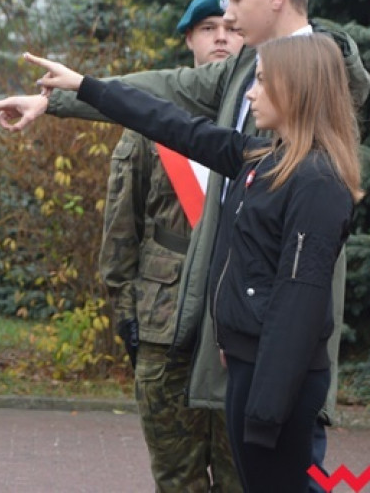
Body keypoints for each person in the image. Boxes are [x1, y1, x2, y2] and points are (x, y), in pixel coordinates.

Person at [0, 0, 370, 480]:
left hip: (284, 349)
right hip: (241, 343)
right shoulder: (245, 82)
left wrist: (268, 398)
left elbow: (300, 295)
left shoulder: (327, 68)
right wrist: (64, 95)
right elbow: (168, 103)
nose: (226, 18)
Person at [19, 34, 362, 493]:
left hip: (273, 386)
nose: (251, 93)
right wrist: (85, 86)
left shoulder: (316, 181)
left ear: (298, 89)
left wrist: (264, 413)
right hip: (245, 367)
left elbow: (298, 304)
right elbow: (172, 124)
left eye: (261, 82)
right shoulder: (260, 158)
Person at [102, 0, 244, 492]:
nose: (222, 39)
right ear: (189, 39)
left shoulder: (263, 114)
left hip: (237, 328)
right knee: (176, 478)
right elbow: (121, 232)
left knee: (240, 478)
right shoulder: (148, 120)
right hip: (164, 329)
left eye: (232, 28)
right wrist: (127, 318)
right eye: (209, 29)